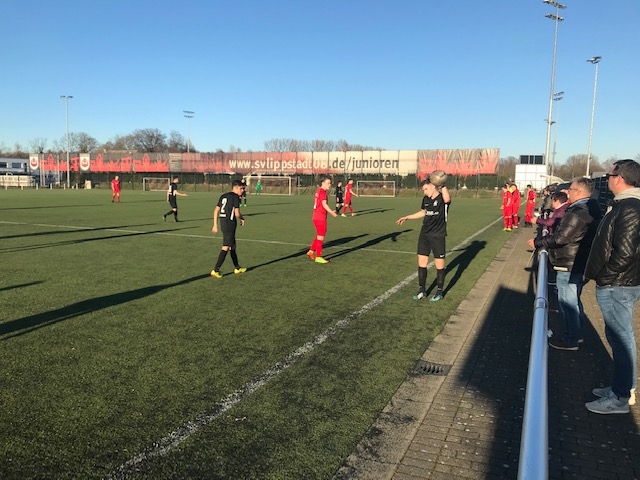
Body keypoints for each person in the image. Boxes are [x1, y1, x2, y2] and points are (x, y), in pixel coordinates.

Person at [584, 159, 640, 414]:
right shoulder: (624, 205)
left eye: (609, 175)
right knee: (619, 337)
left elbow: (625, 253)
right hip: (619, 283)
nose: (607, 179)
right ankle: (621, 387)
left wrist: (605, 277)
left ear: (620, 177)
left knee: (621, 338)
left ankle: (620, 396)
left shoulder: (629, 208)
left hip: (618, 284)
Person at [527, 177, 601, 351]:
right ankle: (576, 334)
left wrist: (538, 242)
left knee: (568, 303)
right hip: (577, 262)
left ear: (579, 192)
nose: (568, 193)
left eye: (571, 190)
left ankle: (571, 339)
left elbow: (561, 238)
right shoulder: (591, 209)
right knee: (573, 302)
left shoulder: (577, 212)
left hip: (569, 263)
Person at [396, 175, 451, 302]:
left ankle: (439, 291)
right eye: (423, 190)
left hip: (438, 236)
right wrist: (407, 217)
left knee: (439, 265)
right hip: (425, 235)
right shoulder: (426, 199)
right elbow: (423, 212)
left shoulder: (442, 198)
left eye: (426, 189)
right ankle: (422, 290)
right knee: (421, 263)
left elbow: (447, 199)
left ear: (433, 186)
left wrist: (441, 183)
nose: (425, 192)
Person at [210, 180, 247, 278]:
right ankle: (215, 269)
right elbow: (237, 214)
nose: (242, 190)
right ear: (235, 188)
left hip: (223, 223)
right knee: (226, 246)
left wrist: (215, 225)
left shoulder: (223, 196)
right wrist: (242, 218)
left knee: (233, 246)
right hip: (230, 224)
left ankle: (237, 268)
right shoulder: (235, 197)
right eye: (241, 188)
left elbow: (216, 210)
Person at [307, 176, 338, 264]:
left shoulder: (318, 191)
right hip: (320, 217)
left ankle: (311, 251)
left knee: (319, 235)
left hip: (316, 216)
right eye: (328, 183)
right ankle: (318, 257)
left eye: (330, 183)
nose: (330, 185)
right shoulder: (322, 192)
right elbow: (324, 204)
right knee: (320, 237)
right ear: (323, 183)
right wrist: (331, 212)